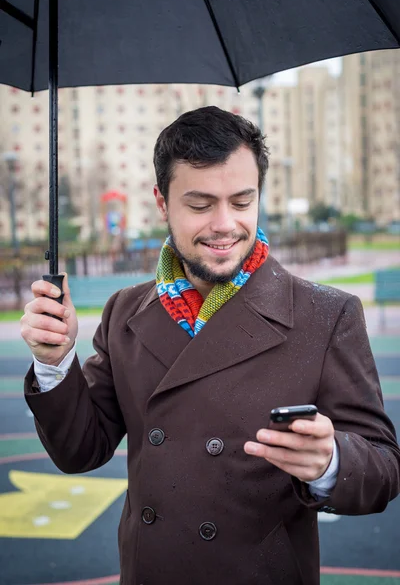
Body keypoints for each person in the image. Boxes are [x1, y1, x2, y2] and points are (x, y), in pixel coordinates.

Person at [21, 106, 400, 585]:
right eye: (200, 205)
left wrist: (330, 462)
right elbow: (79, 450)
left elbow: (384, 470)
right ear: (162, 202)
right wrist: (54, 363)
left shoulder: (327, 315)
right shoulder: (125, 311)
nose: (225, 224)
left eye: (242, 201)